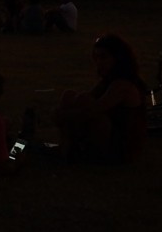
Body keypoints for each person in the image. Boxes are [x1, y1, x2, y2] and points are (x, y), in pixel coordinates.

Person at [51, 33, 147, 163]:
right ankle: (67, 147)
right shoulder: (110, 79)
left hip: (122, 147)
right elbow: (88, 98)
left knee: (87, 108)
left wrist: (63, 115)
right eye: (96, 57)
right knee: (70, 95)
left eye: (103, 57)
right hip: (109, 134)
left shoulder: (123, 85)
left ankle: (72, 150)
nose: (98, 62)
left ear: (117, 58)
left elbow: (93, 110)